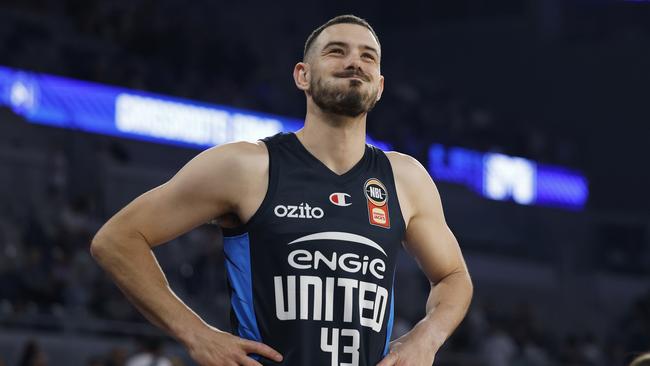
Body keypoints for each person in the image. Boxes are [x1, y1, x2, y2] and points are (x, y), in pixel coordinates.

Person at [90, 14, 473, 366]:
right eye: (337, 51)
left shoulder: (404, 178)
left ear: (380, 86)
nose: (355, 62)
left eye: (368, 57)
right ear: (302, 75)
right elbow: (118, 239)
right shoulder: (246, 166)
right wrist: (196, 334)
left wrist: (428, 337)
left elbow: (453, 276)